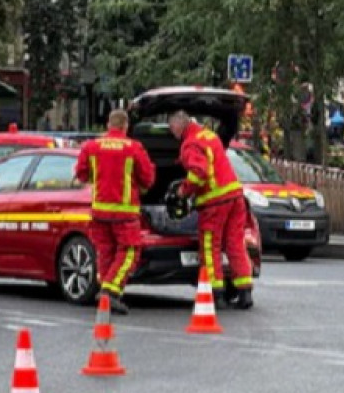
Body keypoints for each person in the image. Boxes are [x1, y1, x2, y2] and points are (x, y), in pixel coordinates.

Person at [168, 111, 255, 310]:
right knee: (235, 244)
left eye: (171, 127)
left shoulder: (190, 144)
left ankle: (217, 294)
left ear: (180, 124)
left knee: (210, 247)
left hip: (215, 202)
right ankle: (245, 292)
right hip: (235, 197)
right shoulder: (209, 135)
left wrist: (183, 191)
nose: (172, 132)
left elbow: (199, 173)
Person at [75, 110, 155, 316]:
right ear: (125, 126)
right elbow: (148, 178)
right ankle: (110, 290)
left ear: (109, 124)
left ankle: (105, 288)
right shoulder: (133, 147)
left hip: (100, 210)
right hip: (125, 212)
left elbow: (81, 174)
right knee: (129, 252)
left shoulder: (92, 146)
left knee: (105, 251)